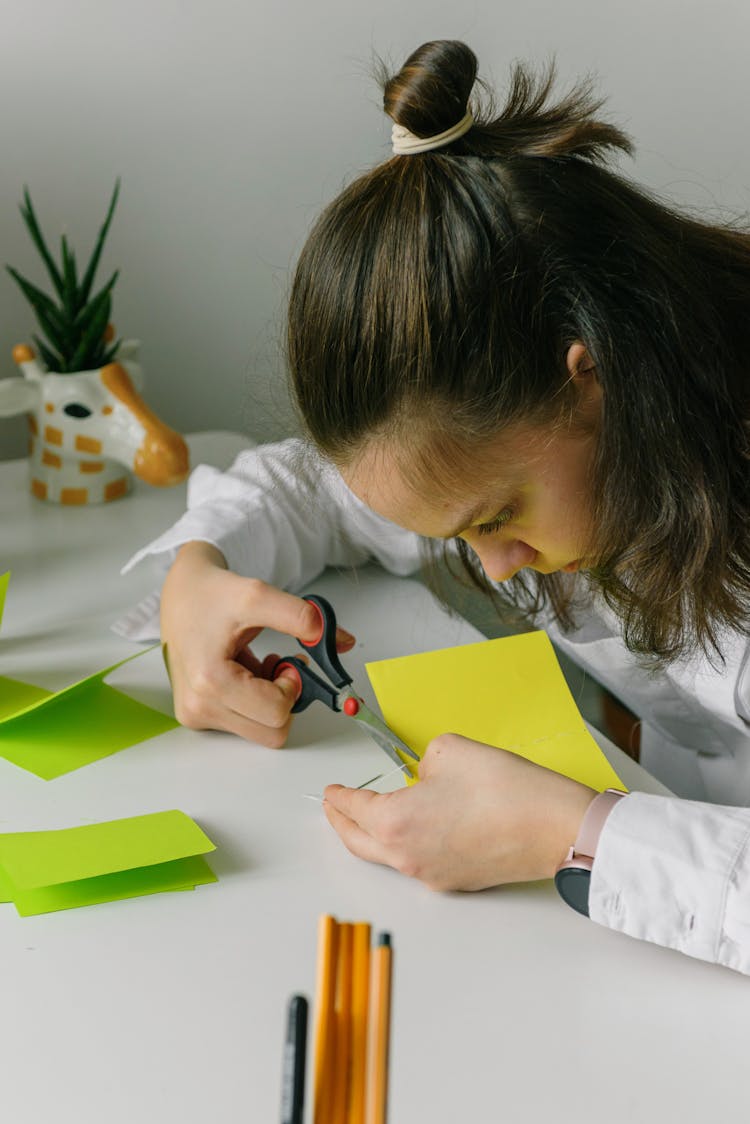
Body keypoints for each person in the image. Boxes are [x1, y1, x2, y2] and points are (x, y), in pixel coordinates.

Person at [121, 40, 750, 974]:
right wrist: (198, 571)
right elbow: (312, 486)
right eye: (457, 533)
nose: (495, 569)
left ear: (596, 380)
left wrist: (576, 834)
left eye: (497, 518)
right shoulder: (539, 440)